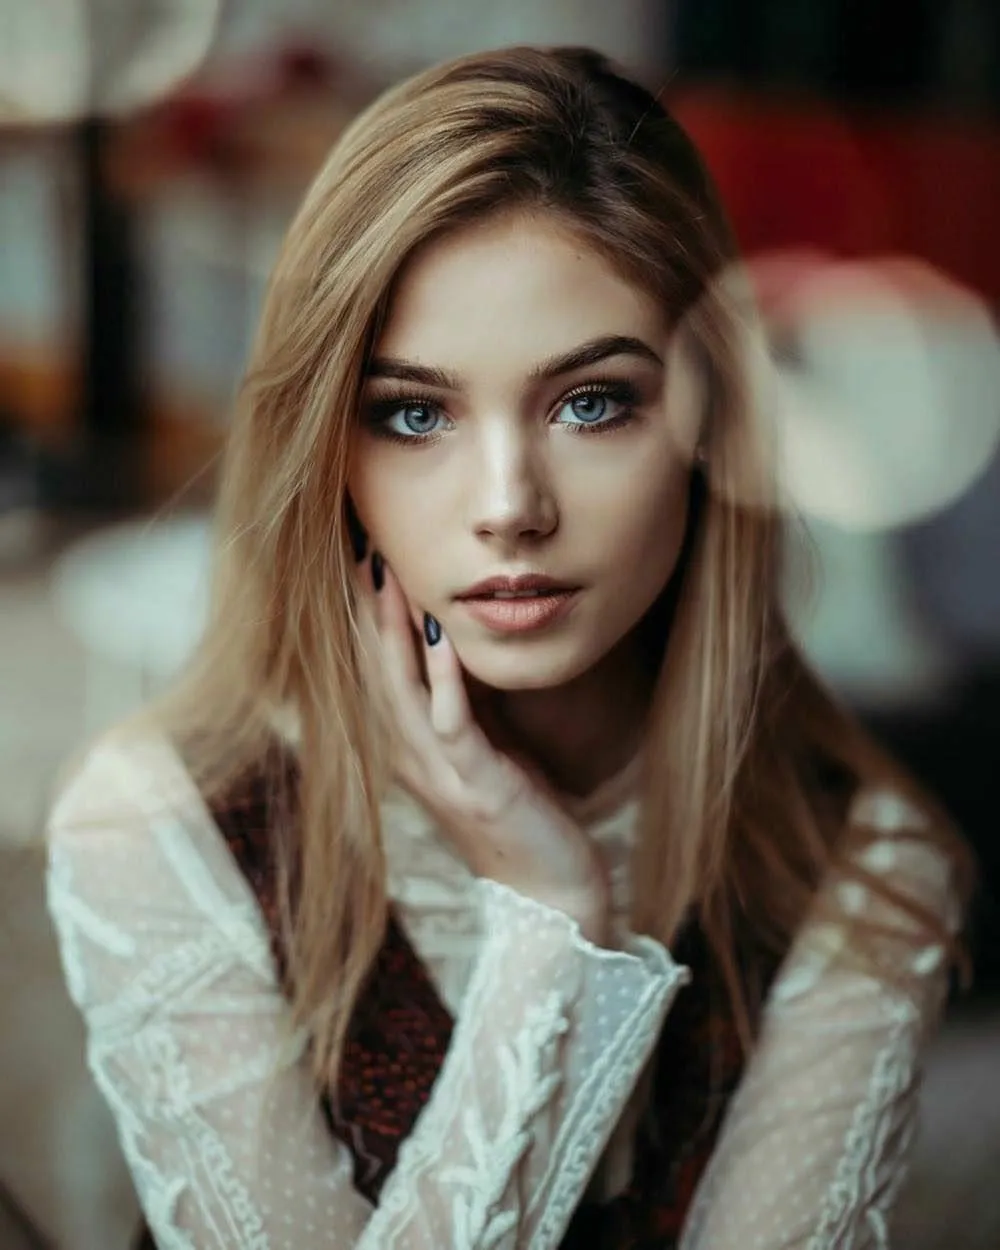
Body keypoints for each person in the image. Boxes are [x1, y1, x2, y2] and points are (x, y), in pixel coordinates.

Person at [45, 46, 972, 1249]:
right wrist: (551, 925)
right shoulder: (162, 821)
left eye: (590, 402)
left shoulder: (856, 866)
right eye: (414, 412)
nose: (508, 505)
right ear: (331, 448)